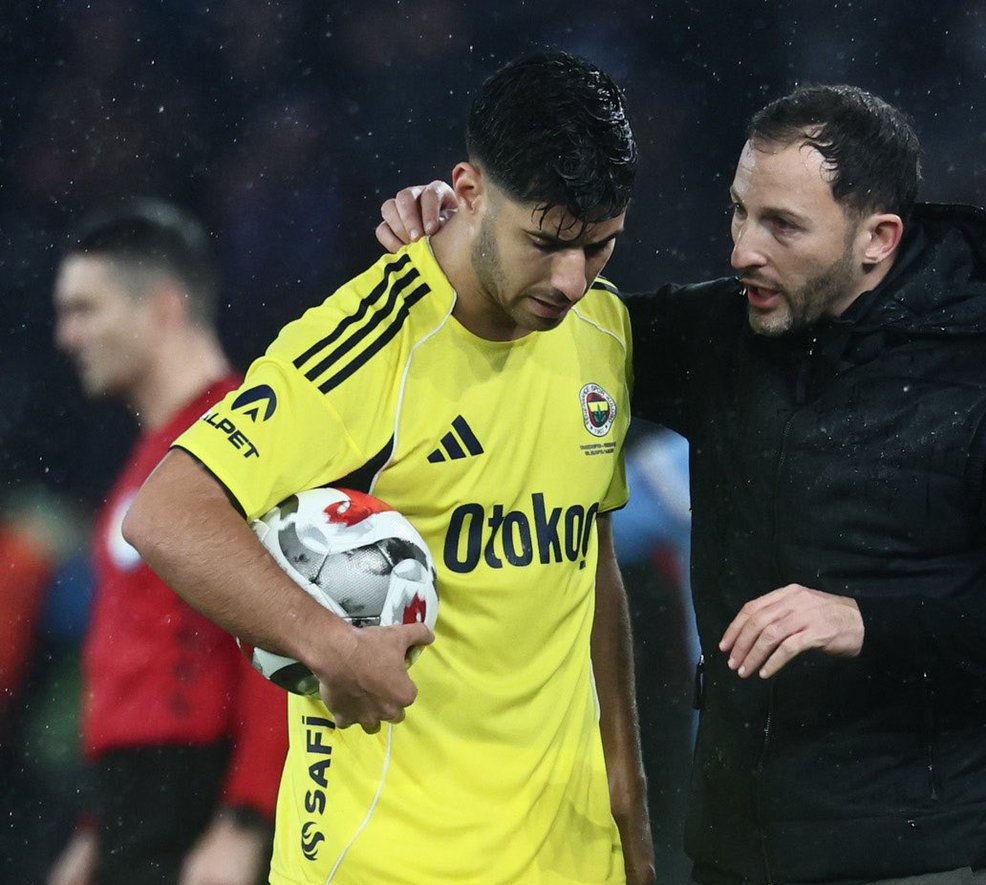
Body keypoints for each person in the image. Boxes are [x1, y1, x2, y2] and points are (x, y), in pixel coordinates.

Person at [379, 83, 986, 885]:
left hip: (928, 857)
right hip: (739, 852)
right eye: (739, 212)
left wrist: (867, 620)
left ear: (877, 237)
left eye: (781, 225)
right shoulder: (725, 336)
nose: (741, 250)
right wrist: (468, 240)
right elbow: (555, 330)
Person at [123, 53, 654, 884]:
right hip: (387, 859)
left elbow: (591, 563)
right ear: (469, 191)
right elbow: (166, 514)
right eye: (546, 243)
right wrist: (329, 643)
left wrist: (628, 801)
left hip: (569, 855)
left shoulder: (605, 332)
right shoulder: (373, 341)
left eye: (601, 246)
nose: (572, 280)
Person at [47, 200, 288, 885]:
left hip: (200, 795)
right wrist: (97, 826)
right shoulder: (153, 455)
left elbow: (281, 637)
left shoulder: (242, 436)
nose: (67, 335)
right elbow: (129, 658)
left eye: (85, 308)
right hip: (136, 805)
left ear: (162, 308)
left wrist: (247, 818)